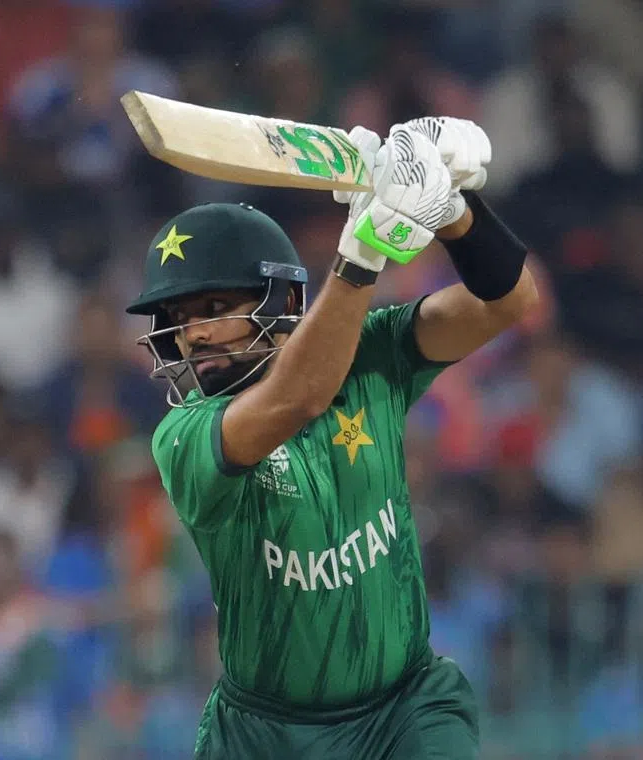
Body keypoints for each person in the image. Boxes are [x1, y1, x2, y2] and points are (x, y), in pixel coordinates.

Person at [126, 119, 539, 758]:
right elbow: (300, 396)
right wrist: (367, 247)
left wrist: (452, 207)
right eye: (179, 321)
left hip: (406, 709)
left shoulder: (375, 350)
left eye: (211, 310)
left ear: (279, 296)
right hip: (263, 736)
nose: (193, 337)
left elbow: (508, 302)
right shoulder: (183, 436)